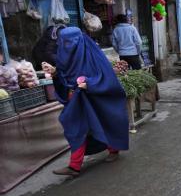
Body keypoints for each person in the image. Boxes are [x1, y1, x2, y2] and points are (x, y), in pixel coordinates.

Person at [42, 27, 129, 176]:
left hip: (94, 99)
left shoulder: (93, 55)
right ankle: (74, 166)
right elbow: (63, 77)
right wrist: (55, 72)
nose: (67, 46)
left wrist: (90, 83)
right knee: (76, 129)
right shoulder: (64, 57)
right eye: (64, 42)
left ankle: (111, 150)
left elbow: (106, 76)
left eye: (70, 42)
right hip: (75, 100)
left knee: (100, 123)